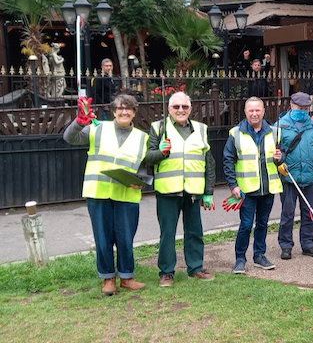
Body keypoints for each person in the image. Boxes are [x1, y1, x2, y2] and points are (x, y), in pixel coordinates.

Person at [63, 94, 149, 296]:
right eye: (120, 108)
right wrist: (78, 122)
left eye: (128, 108)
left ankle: (127, 277)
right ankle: (108, 278)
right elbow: (69, 138)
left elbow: (146, 167)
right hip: (98, 192)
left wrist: (142, 182)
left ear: (134, 112)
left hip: (127, 195)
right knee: (103, 239)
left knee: (126, 238)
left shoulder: (142, 138)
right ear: (113, 111)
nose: (124, 112)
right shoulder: (97, 128)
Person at [145, 92, 216, 286]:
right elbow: (148, 158)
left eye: (184, 107)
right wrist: (160, 152)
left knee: (195, 232)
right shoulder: (159, 128)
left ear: (190, 109)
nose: (180, 110)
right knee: (167, 234)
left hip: (193, 191)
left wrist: (208, 191)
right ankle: (166, 272)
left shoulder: (201, 129)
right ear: (169, 109)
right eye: (176, 107)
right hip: (168, 191)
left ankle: (196, 268)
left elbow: (209, 162)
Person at [223, 97, 282, 274]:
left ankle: (259, 256)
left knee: (263, 223)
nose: (254, 113)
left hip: (267, 187)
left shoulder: (275, 132)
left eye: (258, 110)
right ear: (245, 112)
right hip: (246, 189)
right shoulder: (235, 133)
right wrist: (233, 185)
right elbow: (228, 160)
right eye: (251, 110)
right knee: (246, 225)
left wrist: (281, 157)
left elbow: (282, 155)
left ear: (264, 111)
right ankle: (240, 259)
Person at [276, 92, 313, 260]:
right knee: (287, 213)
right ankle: (286, 245)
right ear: (291, 106)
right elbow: (275, 151)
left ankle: (308, 244)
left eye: (306, 109)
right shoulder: (280, 126)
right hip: (289, 176)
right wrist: (279, 161)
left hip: (309, 175)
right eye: (300, 108)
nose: (304, 111)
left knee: (309, 212)